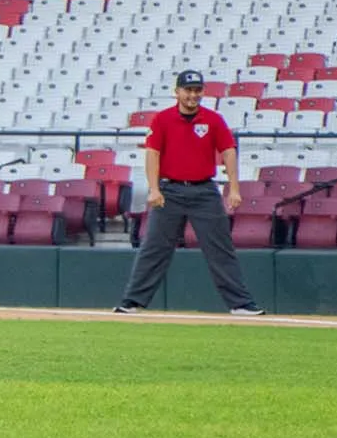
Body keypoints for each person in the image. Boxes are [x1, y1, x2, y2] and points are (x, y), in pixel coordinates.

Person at [113, 70, 264, 316]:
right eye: (188, 90)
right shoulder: (163, 119)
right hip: (170, 189)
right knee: (155, 247)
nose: (193, 95)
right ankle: (133, 301)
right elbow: (153, 154)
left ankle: (240, 303)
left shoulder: (213, 119)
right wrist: (154, 189)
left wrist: (234, 187)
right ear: (178, 92)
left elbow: (228, 150)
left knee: (220, 248)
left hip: (204, 190)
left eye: (197, 90)